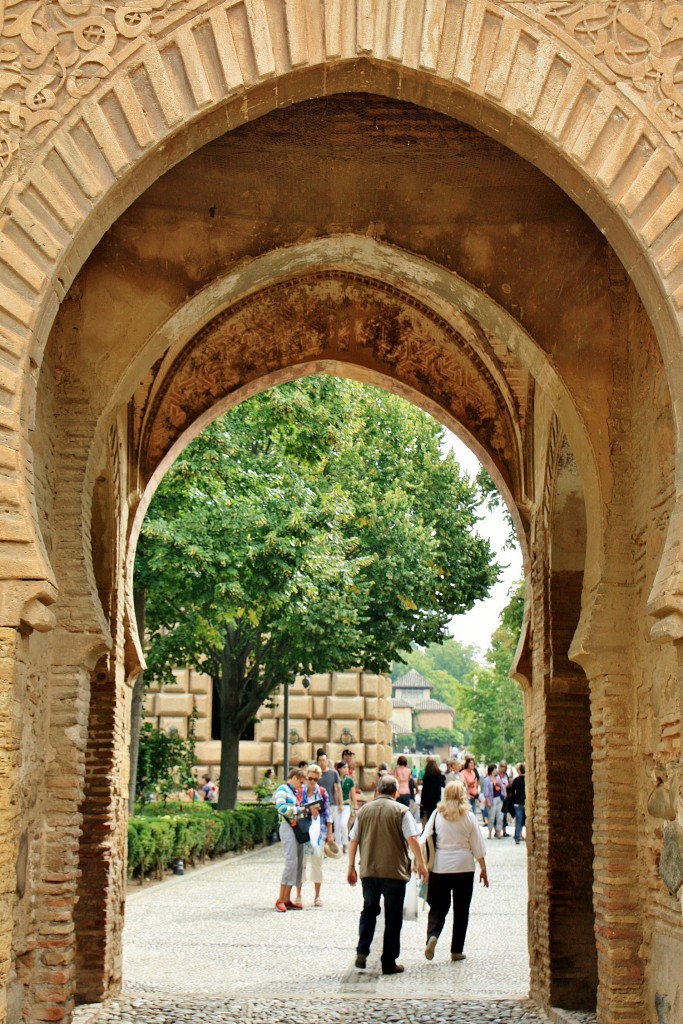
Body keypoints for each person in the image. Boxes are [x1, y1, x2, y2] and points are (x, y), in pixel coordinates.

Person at [347, 774, 428, 975]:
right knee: (393, 917)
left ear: (378, 790)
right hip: (394, 871)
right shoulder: (402, 811)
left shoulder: (364, 811)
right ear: (395, 792)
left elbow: (353, 841)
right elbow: (412, 840)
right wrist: (421, 864)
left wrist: (351, 866)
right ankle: (388, 961)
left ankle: (362, 951)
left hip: (369, 870)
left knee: (369, 910)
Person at [420, 780, 488, 962]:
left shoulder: (436, 815)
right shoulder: (469, 817)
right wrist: (483, 868)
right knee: (461, 909)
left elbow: (424, 839)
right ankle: (456, 950)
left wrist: (420, 864)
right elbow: (477, 845)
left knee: (437, 906)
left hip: (440, 867)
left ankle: (432, 935)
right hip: (464, 867)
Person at [295, 763, 331, 907]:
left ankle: (317, 896)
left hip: (318, 831)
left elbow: (328, 813)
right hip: (303, 831)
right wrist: (308, 811)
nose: (312, 782)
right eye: (310, 778)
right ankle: (298, 895)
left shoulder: (322, 792)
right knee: (301, 864)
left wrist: (330, 833)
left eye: (315, 779)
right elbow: (295, 809)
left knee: (317, 863)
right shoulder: (299, 792)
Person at [274, 766, 308, 912]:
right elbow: (281, 808)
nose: (301, 786)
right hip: (287, 827)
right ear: (294, 778)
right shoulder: (282, 789)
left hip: (294, 828)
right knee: (290, 862)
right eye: (300, 782)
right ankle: (280, 899)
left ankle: (287, 898)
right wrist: (299, 810)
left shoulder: (293, 792)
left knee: (296, 863)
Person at [317, 752, 343, 839]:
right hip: (318, 804)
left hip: (330, 803)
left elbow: (339, 789)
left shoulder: (333, 773)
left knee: (330, 824)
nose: (322, 762)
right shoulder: (316, 774)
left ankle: (329, 843)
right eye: (320, 760)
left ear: (327, 761)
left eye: (323, 760)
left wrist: (340, 804)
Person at [336, 761, 358, 852]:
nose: (346, 770)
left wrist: (355, 807)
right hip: (336, 805)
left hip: (346, 805)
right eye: (344, 768)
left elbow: (353, 794)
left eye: (347, 768)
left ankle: (345, 843)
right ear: (339, 769)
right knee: (337, 825)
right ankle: (337, 845)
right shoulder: (335, 779)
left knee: (343, 824)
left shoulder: (350, 780)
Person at [420, 757, 446, 825]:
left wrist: (422, 801)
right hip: (436, 798)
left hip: (427, 799)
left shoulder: (426, 775)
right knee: (436, 816)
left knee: (429, 817)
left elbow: (424, 789)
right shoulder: (439, 775)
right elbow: (439, 788)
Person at [509, 763, 526, 844]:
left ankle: (517, 837)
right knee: (526, 821)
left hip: (518, 803)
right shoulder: (527, 780)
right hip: (525, 802)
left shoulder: (516, 780)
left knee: (518, 821)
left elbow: (512, 792)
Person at [481, 764, 497, 839]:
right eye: (495, 769)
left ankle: (497, 832)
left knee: (498, 817)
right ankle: (490, 832)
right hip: (491, 799)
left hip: (498, 799)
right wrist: (488, 801)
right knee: (491, 817)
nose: (496, 770)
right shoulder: (486, 780)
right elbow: (486, 791)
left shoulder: (497, 778)